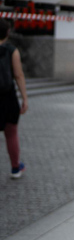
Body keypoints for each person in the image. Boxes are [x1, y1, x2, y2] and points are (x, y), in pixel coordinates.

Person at [0, 18, 28, 179]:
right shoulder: (12, 51)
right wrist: (24, 98)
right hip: (7, 97)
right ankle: (15, 168)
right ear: (8, 32)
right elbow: (18, 75)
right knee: (11, 133)